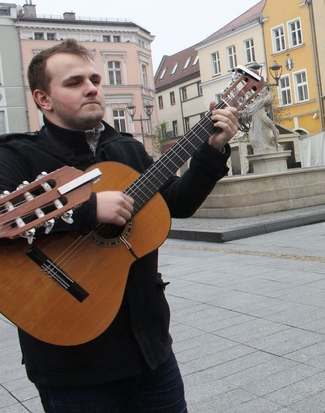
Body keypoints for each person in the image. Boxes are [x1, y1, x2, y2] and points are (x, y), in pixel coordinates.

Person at [0, 39, 239, 411]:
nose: (92, 87)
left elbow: (177, 204)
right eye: (74, 82)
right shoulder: (17, 155)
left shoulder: (126, 149)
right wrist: (88, 209)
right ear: (43, 99)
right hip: (71, 363)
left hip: (150, 352)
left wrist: (211, 151)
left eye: (95, 78)